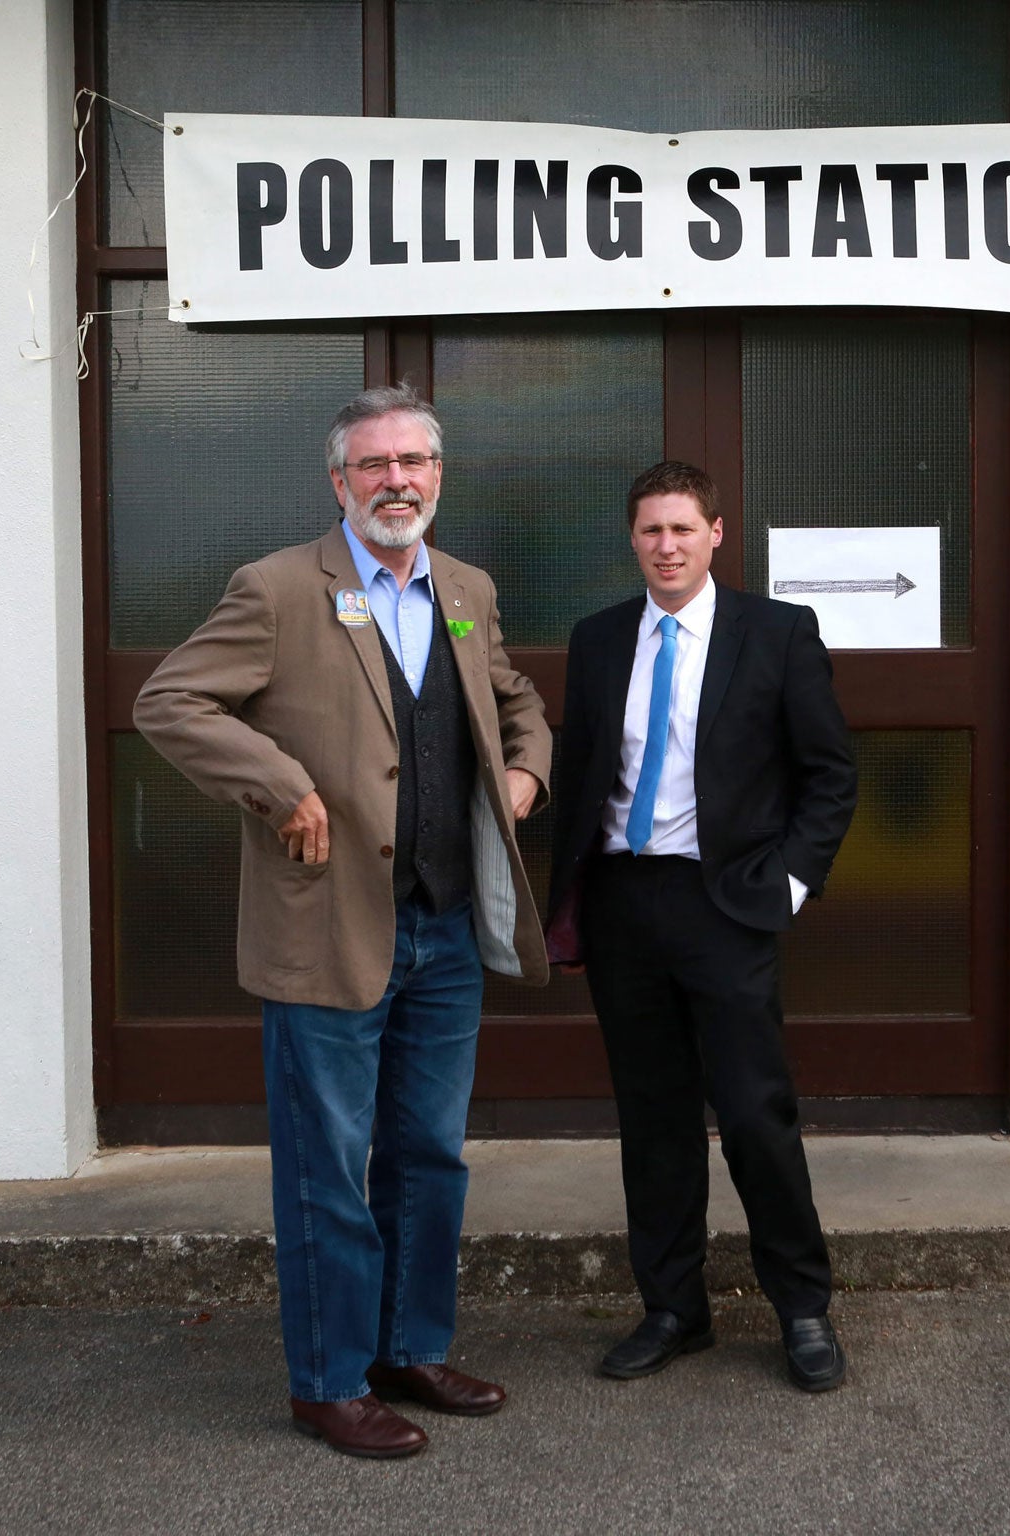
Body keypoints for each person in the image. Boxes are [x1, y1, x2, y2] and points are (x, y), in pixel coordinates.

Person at [135, 384, 550, 1458]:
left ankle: (406, 1350)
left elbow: (513, 700)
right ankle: (325, 1382)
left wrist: (524, 772)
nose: (395, 481)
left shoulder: (463, 588)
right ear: (338, 483)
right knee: (328, 1165)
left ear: (437, 476)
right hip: (325, 927)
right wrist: (281, 785)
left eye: (412, 462)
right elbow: (170, 700)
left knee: (426, 1156)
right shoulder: (277, 588)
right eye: (373, 465)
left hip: (444, 925)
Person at [548, 460, 858, 1392]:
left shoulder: (777, 632)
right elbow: (582, 772)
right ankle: (675, 1310)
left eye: (683, 528)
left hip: (727, 905)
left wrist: (790, 885)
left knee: (757, 1116)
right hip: (624, 906)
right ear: (633, 539)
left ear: (716, 533)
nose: (667, 546)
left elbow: (830, 775)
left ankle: (802, 1309)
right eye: (651, 531)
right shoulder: (599, 640)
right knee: (654, 1120)